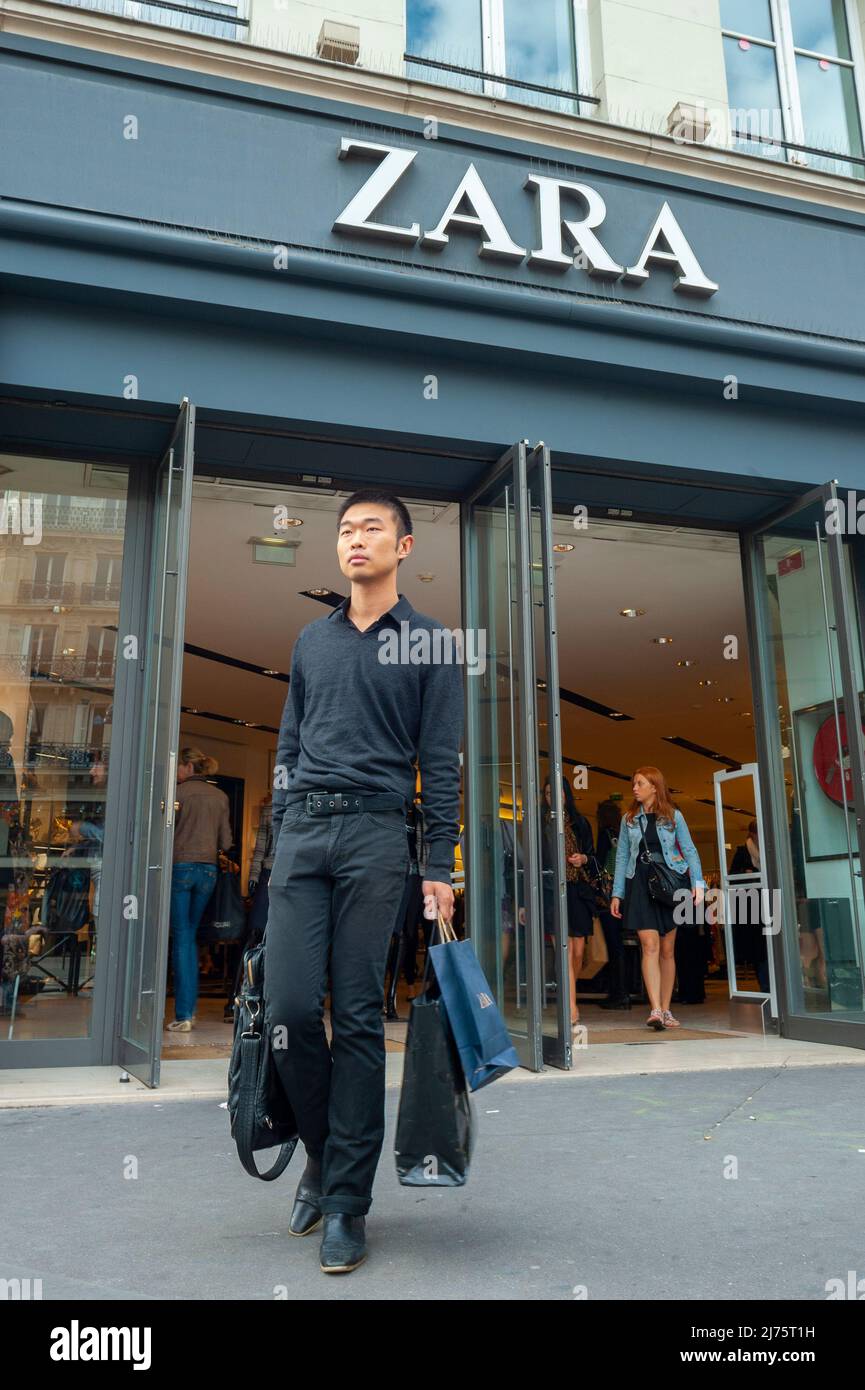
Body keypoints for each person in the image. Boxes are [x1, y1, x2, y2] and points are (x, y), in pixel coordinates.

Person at [264, 489, 463, 1276]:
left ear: (403, 547)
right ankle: (323, 1152)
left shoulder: (430, 644)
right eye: (345, 530)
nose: (355, 540)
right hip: (304, 832)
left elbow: (439, 764)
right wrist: (278, 839)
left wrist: (439, 867)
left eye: (370, 528)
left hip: (378, 834)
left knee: (353, 1015)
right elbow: (288, 741)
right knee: (285, 1008)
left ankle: (346, 1201)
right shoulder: (311, 641)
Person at [610, 766, 704, 1031]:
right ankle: (655, 1010)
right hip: (639, 883)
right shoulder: (629, 818)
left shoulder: (674, 817)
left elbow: (690, 851)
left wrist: (698, 884)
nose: (634, 788)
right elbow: (621, 857)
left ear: (654, 786)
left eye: (639, 783)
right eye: (634, 783)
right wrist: (617, 893)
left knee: (667, 949)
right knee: (648, 944)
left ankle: (666, 1008)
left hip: (669, 884)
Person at [166, 747, 232, 1032]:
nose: (177, 772)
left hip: (181, 867)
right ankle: (187, 1011)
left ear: (188, 767)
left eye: (179, 767)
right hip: (208, 871)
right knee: (190, 937)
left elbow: (164, 831)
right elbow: (226, 842)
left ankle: (184, 1014)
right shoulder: (221, 797)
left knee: (182, 938)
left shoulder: (177, 794)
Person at [542, 777, 595, 1037]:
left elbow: (592, 857)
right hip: (553, 891)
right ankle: (570, 1006)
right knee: (563, 950)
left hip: (578, 890)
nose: (553, 797)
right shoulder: (541, 824)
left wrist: (582, 858)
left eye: (558, 792)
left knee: (577, 952)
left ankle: (568, 995)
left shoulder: (580, 822)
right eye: (548, 793)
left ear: (567, 794)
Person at [595, 797, 630, 1010]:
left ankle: (618, 993)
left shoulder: (605, 835)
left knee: (613, 945)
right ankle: (623, 991)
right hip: (626, 894)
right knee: (621, 947)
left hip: (609, 897)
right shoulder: (623, 834)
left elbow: (599, 863)